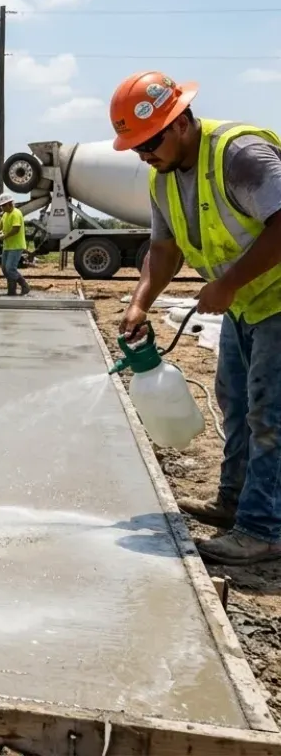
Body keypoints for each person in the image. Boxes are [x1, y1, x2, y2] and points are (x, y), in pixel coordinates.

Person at [111, 70, 281, 565]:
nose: (144, 155)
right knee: (236, 403)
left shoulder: (239, 155)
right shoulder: (162, 177)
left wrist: (228, 283)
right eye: (136, 147)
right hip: (247, 302)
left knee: (270, 414)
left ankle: (264, 529)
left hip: (274, 299)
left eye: (150, 142)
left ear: (181, 122)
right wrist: (141, 301)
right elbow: (164, 249)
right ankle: (235, 502)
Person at [0, 193, 30, 296]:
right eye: (1, 205)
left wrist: (3, 236)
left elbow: (16, 229)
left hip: (16, 246)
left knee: (10, 268)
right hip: (8, 246)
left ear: (10, 204)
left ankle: (24, 285)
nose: (2, 207)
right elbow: (0, 226)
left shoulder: (16, 213)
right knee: (5, 269)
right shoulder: (5, 214)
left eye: (3, 205)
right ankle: (11, 291)